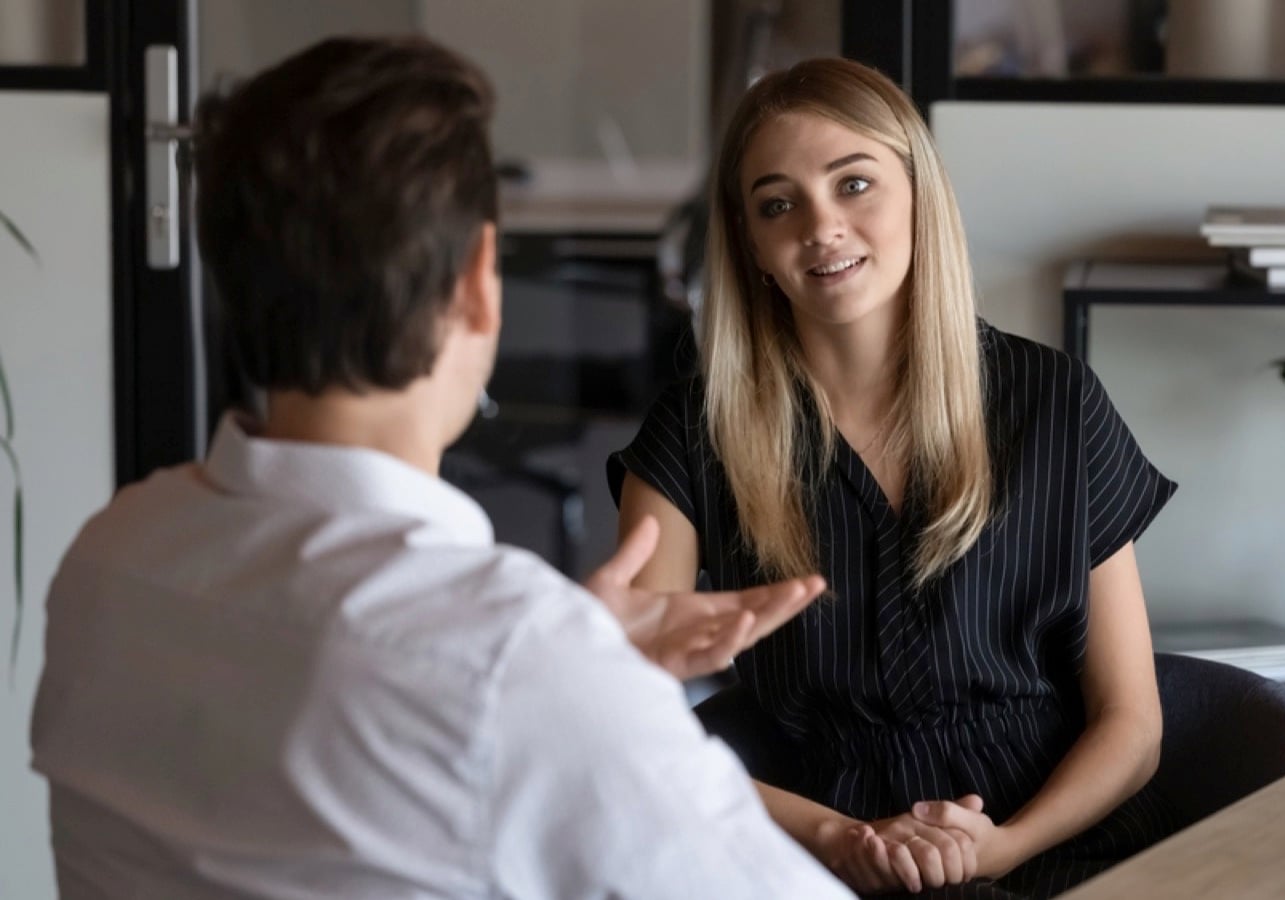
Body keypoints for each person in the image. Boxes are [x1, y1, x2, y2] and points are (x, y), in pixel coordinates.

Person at [29, 36, 854, 900]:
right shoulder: (512, 666)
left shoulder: (109, 556)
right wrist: (582, 684)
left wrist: (582, 668)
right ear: (476, 285)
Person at [610, 57, 1178, 898]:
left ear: (919, 193)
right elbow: (632, 726)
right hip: (808, 857)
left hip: (1054, 848)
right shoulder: (693, 434)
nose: (821, 226)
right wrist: (843, 837)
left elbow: (1132, 723)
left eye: (854, 183)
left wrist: (1002, 847)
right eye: (778, 203)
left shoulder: (1054, 401)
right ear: (752, 246)